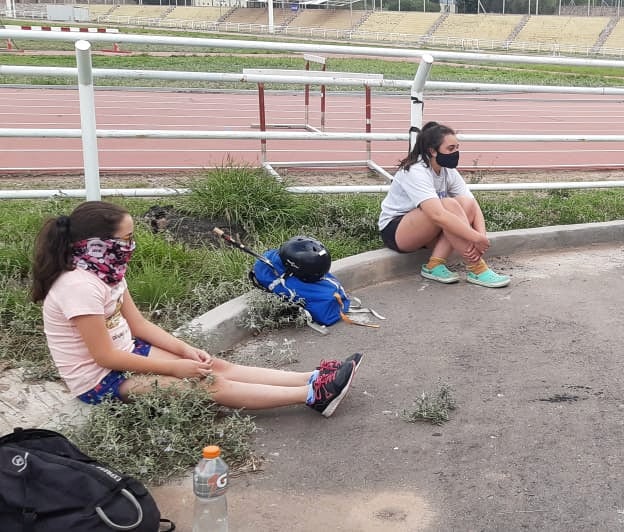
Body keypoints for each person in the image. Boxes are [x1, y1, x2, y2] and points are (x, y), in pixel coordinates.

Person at [31, 201, 361, 417]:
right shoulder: (79, 286)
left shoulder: (108, 271)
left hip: (128, 352)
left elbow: (139, 325)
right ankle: (312, 395)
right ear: (97, 245)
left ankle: (312, 377)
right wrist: (174, 369)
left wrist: (185, 350)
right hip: (100, 380)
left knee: (213, 365)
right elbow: (104, 357)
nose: (131, 245)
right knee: (207, 385)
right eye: (126, 238)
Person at [378, 121, 510, 288]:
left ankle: (434, 265)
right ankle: (477, 268)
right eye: (450, 149)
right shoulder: (416, 170)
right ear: (432, 151)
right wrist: (474, 237)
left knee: (465, 203)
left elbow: (473, 205)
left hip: (427, 231)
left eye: (457, 147)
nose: (456, 152)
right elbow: (437, 215)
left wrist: (481, 237)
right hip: (397, 231)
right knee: (448, 205)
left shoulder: (447, 170)